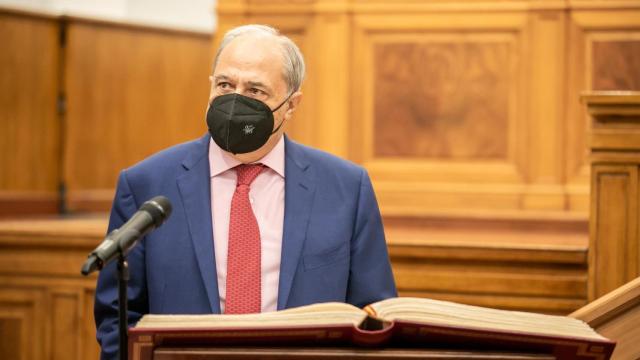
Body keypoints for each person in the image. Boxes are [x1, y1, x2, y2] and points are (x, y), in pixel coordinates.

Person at [94, 24, 397, 359]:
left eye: (255, 91)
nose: (235, 101)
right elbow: (117, 319)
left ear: (291, 104)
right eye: (225, 84)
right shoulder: (146, 184)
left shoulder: (346, 189)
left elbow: (375, 316)